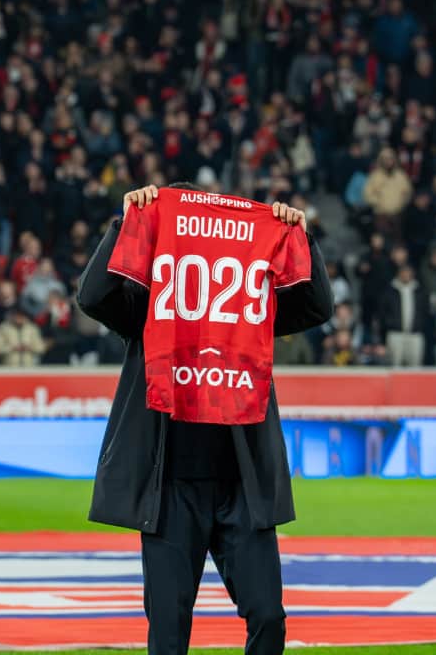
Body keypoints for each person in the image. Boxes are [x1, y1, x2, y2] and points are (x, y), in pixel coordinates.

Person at [76, 183, 333, 655]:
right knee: (169, 634)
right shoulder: (149, 302)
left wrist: (299, 238)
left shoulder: (245, 301)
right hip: (169, 488)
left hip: (241, 484)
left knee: (269, 617)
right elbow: (92, 296)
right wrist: (126, 223)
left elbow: (316, 306)